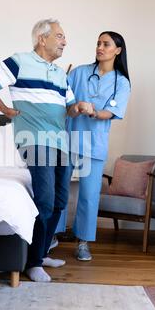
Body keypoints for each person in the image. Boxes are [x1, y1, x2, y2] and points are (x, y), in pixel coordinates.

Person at [0, 19, 79, 282]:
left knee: (59, 201)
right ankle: (32, 263)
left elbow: (70, 107)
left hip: (60, 142)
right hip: (34, 139)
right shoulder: (20, 61)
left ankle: (40, 254)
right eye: (60, 36)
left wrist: (82, 107)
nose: (65, 41)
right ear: (42, 39)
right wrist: (4, 109)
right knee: (44, 199)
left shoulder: (60, 74)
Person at [55, 31, 131, 261]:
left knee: (89, 195)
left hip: (94, 144)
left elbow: (112, 112)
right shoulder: (79, 72)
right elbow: (61, 99)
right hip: (68, 139)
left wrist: (94, 111)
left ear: (117, 50)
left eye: (105, 44)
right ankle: (52, 235)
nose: (100, 47)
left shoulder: (122, 82)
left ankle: (83, 242)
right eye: (98, 43)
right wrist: (74, 106)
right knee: (60, 190)